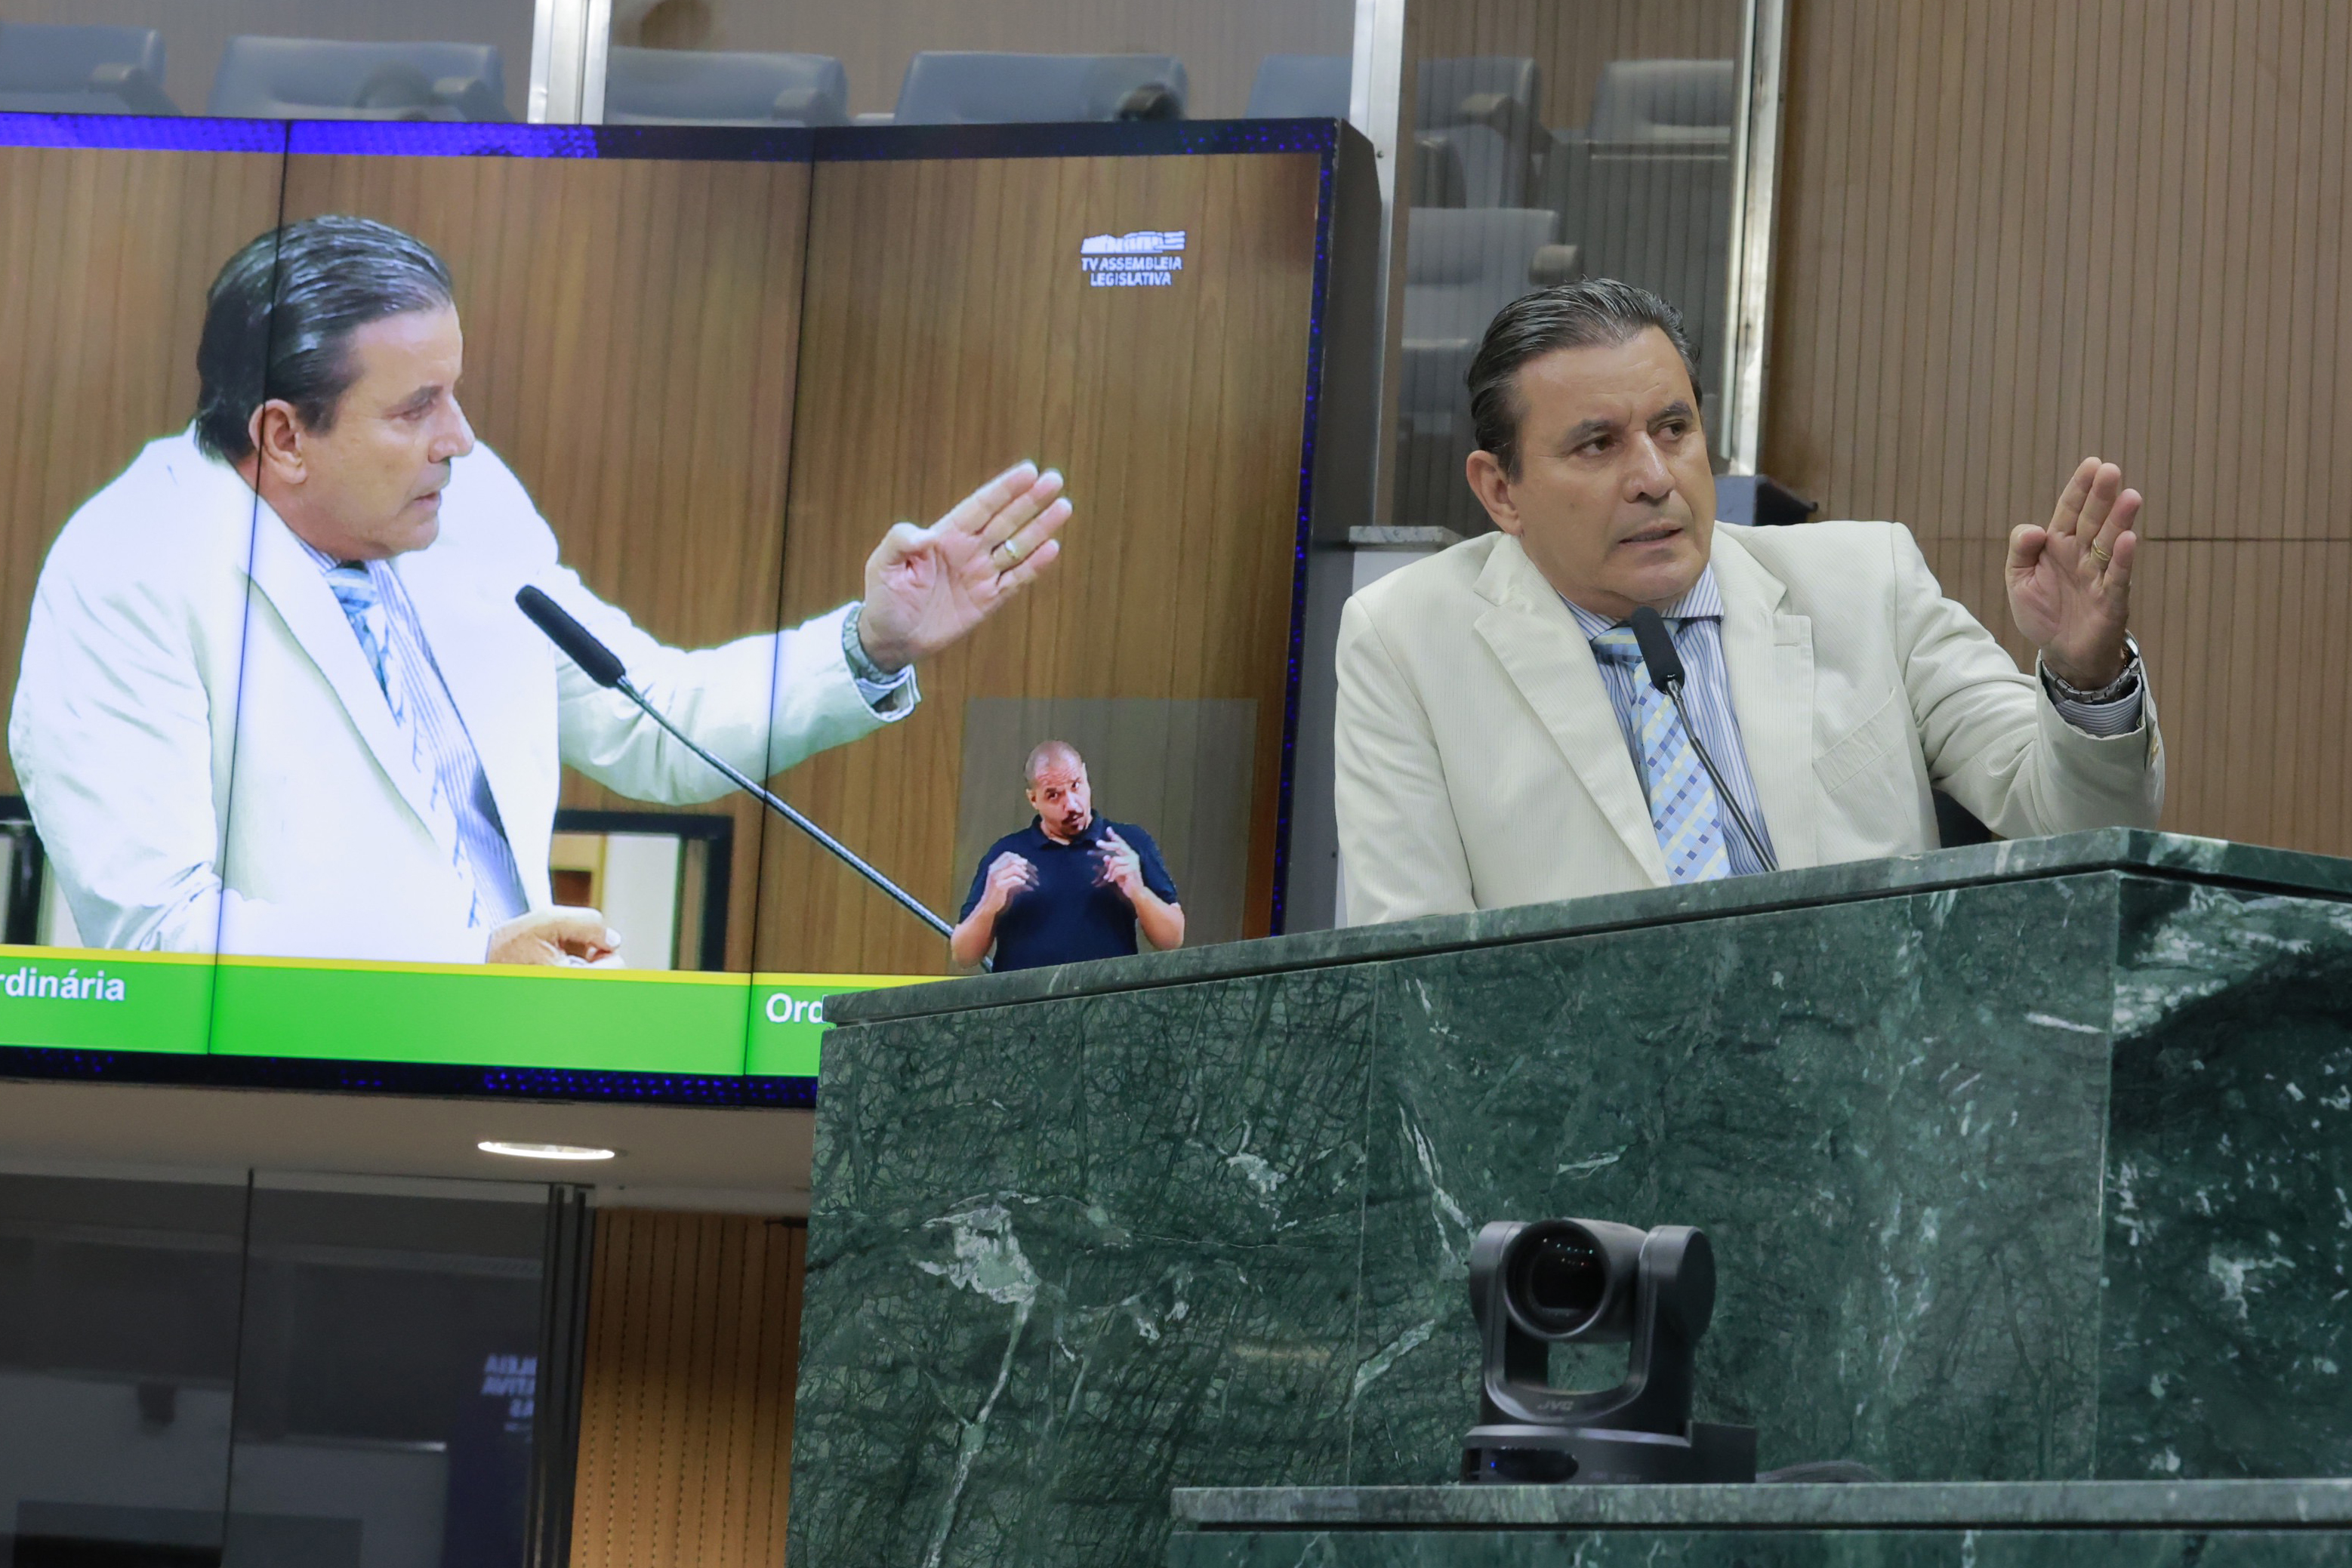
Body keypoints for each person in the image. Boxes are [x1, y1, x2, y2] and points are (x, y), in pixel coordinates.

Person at [8, 216, 1072, 965]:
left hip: (513, 1059)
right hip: (289, 1107)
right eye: (416, 407)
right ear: (284, 435)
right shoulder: (126, 567)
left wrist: (869, 644)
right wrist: (468, 960)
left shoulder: (465, 505)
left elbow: (652, 717)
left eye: (455, 392)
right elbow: (158, 928)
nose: (460, 437)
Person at [1334, 279, 2163, 924]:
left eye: (1673, 431)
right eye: (1597, 444)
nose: (1653, 478)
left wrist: (2084, 675)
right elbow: (1409, 961)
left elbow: (2080, 826)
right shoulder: (1407, 640)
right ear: (1500, 491)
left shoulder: (1864, 582)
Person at [951, 741, 1183, 972]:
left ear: (1086, 776)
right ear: (1033, 799)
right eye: (1054, 795)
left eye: (1076, 785)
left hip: (1108, 994)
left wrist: (1138, 891)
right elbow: (963, 956)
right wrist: (989, 904)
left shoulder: (1128, 844)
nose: (1072, 805)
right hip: (1025, 996)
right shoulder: (1006, 854)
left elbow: (1172, 940)